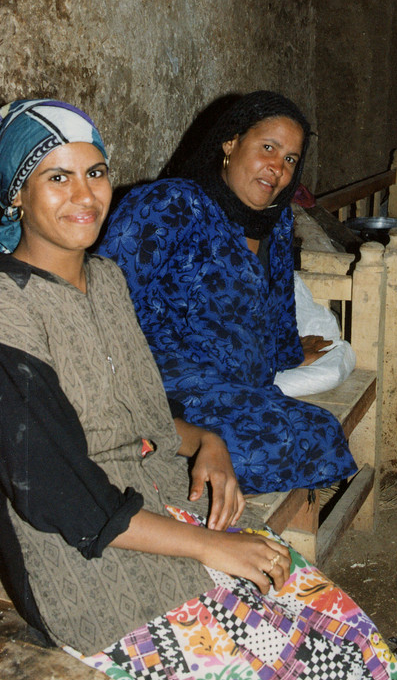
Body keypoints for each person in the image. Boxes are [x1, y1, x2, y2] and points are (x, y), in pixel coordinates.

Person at [0, 99, 397, 680]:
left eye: (96, 173)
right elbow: (69, 502)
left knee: (339, 632)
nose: (86, 195)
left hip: (155, 510)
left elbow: (145, 416)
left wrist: (204, 440)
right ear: (16, 194)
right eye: (57, 176)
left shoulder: (103, 280)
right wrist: (214, 545)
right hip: (93, 570)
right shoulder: (9, 311)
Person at [97, 91, 357, 495]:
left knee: (320, 430)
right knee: (273, 444)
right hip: (166, 383)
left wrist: (286, 351)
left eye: (290, 159)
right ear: (230, 142)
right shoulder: (171, 204)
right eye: (268, 147)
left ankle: (168, 460)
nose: (278, 168)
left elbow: (277, 307)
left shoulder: (276, 221)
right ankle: (153, 450)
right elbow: (103, 295)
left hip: (236, 389)